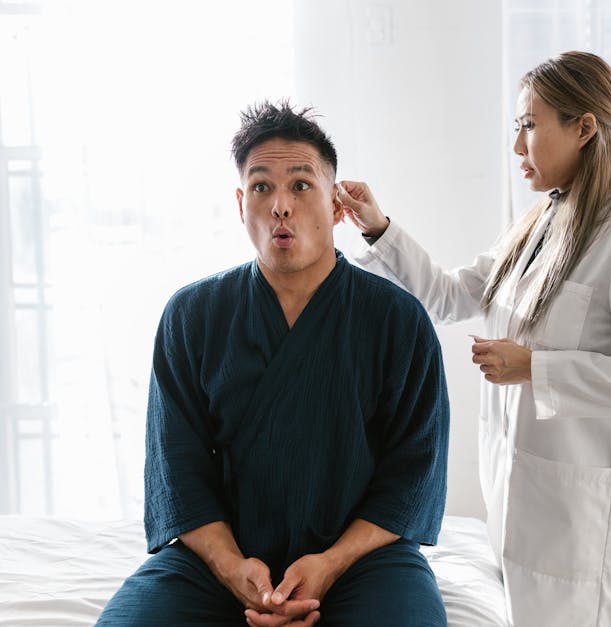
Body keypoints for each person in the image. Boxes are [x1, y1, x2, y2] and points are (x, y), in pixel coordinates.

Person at [337, 51, 611, 626]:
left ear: (584, 128)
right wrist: (377, 226)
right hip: (518, 496)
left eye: (530, 125)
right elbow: (449, 296)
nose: (517, 146)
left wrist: (536, 368)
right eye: (516, 127)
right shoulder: (536, 227)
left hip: (582, 515)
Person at [97, 101, 450, 627]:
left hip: (361, 561)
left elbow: (414, 472)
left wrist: (330, 563)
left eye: (301, 185)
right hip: (222, 559)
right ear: (242, 204)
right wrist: (233, 568)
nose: (280, 205)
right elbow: (177, 468)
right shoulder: (192, 316)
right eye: (261, 187)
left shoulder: (397, 319)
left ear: (336, 205)